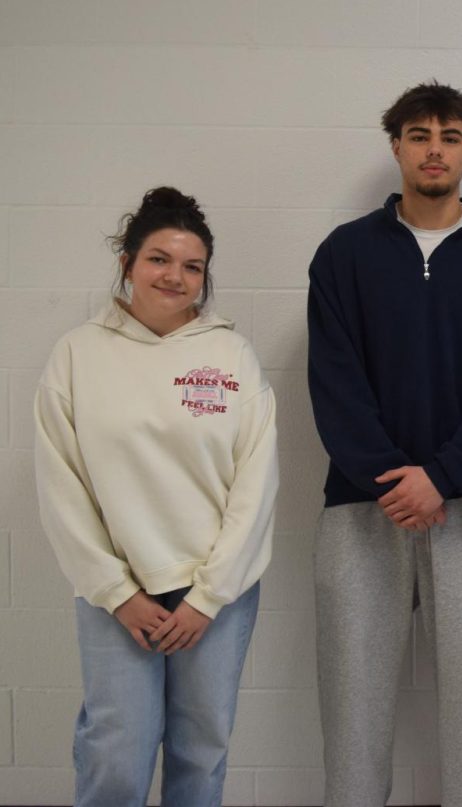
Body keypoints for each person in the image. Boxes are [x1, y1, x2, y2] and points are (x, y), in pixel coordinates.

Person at [306, 81, 462, 807]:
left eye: (449, 136)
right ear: (396, 147)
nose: (434, 148)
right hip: (361, 509)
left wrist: (441, 477)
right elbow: (334, 380)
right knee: (353, 713)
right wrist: (394, 479)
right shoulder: (344, 255)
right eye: (419, 135)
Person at [34, 187, 278, 807]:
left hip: (216, 594)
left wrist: (209, 595)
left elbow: (256, 483)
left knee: (202, 753)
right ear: (128, 264)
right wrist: (117, 592)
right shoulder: (77, 355)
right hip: (119, 592)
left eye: (192, 266)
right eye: (159, 259)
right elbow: (62, 484)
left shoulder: (232, 355)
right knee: (117, 751)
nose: (175, 276)